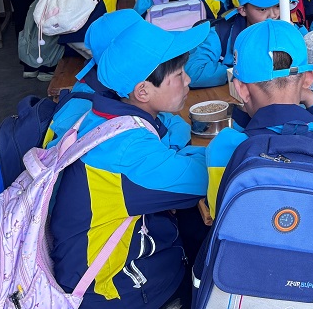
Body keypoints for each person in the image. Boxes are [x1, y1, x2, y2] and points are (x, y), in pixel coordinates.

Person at [44, 15, 211, 309]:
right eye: (179, 74)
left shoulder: (102, 116)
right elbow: (204, 178)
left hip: (84, 269)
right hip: (114, 292)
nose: (188, 80)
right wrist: (229, 144)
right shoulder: (128, 151)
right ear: (142, 91)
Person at [205, 20, 313, 214]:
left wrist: (242, 119)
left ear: (240, 89)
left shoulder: (223, 148)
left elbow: (216, 208)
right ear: (309, 78)